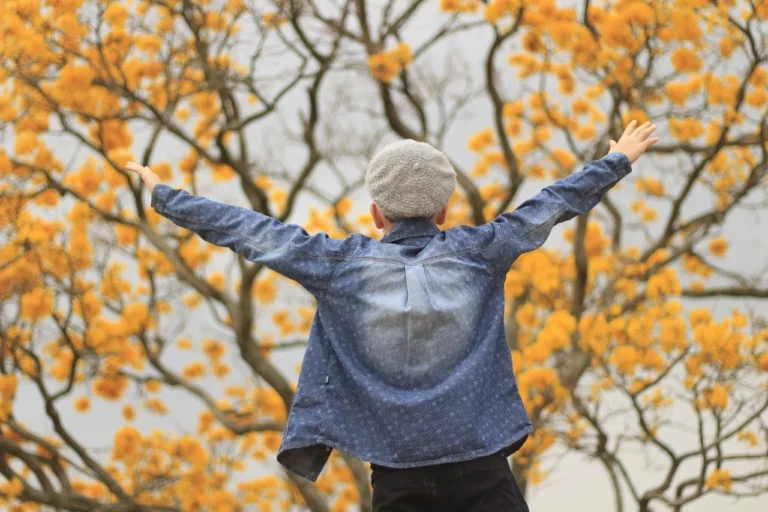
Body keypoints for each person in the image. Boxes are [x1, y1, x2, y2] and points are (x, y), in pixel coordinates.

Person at [127, 120, 658, 511]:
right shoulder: (481, 252)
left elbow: (251, 231)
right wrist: (618, 159)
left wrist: (165, 195)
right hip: (483, 471)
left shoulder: (338, 266)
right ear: (445, 210)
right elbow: (551, 204)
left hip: (397, 480)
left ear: (376, 213)